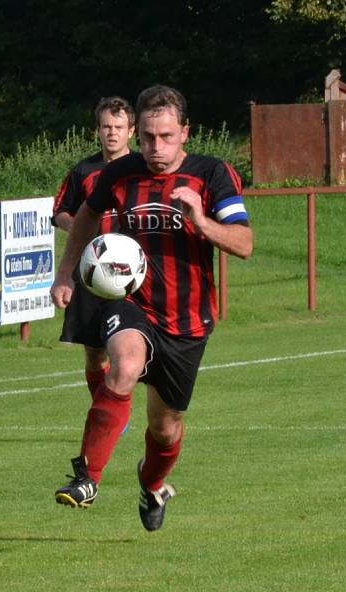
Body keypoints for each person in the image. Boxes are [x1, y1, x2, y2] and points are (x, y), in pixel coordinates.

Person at [51, 85, 253, 532]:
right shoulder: (120, 174)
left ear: (185, 132)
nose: (155, 148)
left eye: (165, 136)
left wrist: (202, 222)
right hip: (131, 302)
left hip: (187, 319)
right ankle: (87, 475)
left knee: (166, 429)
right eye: (146, 137)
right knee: (122, 366)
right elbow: (85, 215)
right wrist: (66, 272)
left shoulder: (213, 174)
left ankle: (152, 483)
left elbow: (244, 243)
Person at [54, 96, 135, 400]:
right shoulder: (83, 171)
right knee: (94, 354)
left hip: (131, 275)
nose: (112, 132)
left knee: (126, 350)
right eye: (105, 126)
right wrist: (78, 227)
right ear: (97, 130)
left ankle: (115, 408)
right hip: (92, 272)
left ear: (131, 131)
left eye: (118, 126)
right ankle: (102, 406)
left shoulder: (141, 170)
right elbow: (60, 210)